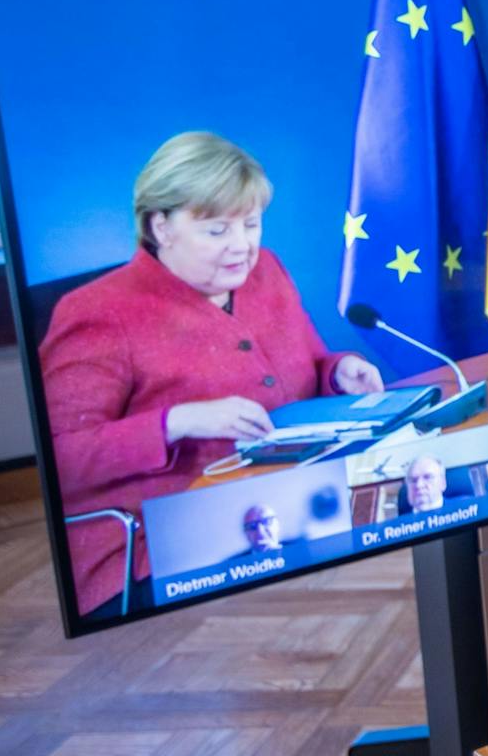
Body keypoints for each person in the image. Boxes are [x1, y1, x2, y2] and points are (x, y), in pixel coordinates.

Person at [41, 132, 383, 620]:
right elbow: (59, 459)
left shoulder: (266, 271)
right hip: (157, 546)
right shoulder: (97, 313)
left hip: (291, 503)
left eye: (251, 224)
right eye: (218, 231)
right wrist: (176, 421)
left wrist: (338, 373)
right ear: (162, 227)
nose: (242, 247)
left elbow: (308, 367)